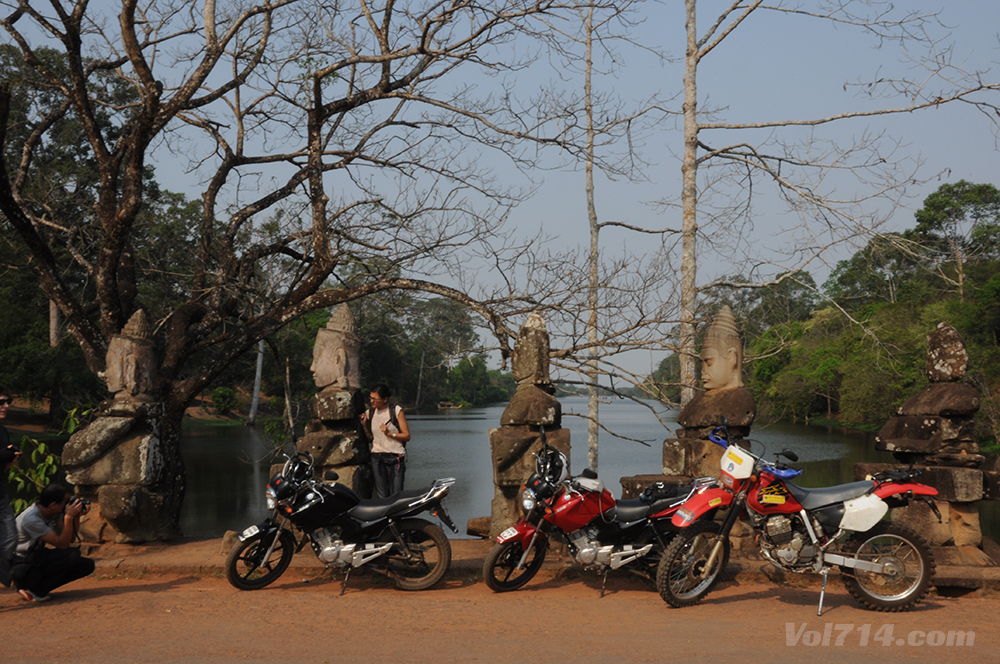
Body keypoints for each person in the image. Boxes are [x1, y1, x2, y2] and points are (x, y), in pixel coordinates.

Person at [10, 483, 95, 602]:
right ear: (53, 505)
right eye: (66, 502)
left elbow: (70, 539)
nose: (68, 505)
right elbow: (62, 544)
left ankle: (36, 588)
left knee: (86, 565)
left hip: (36, 556)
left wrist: (76, 516)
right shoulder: (31, 519)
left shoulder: (54, 512)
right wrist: (68, 517)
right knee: (71, 554)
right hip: (21, 562)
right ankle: (29, 586)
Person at [359, 384, 410, 498]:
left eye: (375, 399)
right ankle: (386, 516)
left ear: (385, 399)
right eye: (370, 398)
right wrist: (364, 426)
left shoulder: (396, 411)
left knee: (396, 494)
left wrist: (390, 433)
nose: (371, 401)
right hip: (377, 457)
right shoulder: (370, 413)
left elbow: (406, 436)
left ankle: (397, 515)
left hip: (395, 457)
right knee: (382, 495)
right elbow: (371, 439)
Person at [0, 385, 21, 588]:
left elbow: (4, 465)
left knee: (11, 538)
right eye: (1, 402)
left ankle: (5, 577)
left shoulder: (3, 430)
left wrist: (11, 458)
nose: (5, 406)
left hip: (1, 495)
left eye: (8, 401)